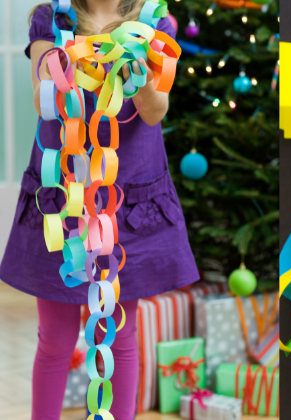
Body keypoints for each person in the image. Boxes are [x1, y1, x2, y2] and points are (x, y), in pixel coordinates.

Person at [0, 0, 199, 418]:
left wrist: (140, 80)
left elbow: (154, 109)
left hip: (124, 196)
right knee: (55, 337)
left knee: (119, 335)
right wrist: (67, 67)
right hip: (65, 192)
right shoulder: (52, 18)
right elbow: (42, 101)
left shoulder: (154, 23)